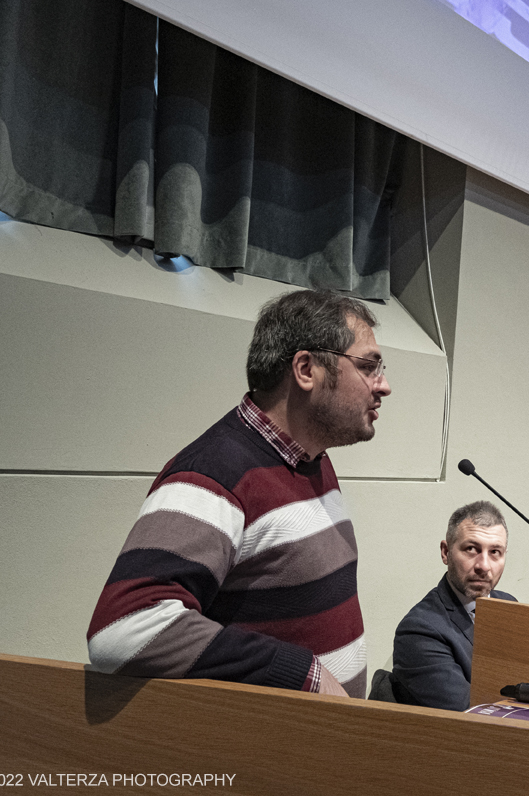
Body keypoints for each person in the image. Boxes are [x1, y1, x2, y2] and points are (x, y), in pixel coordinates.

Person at [87, 290, 392, 697]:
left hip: (323, 742)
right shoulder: (214, 473)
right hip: (267, 751)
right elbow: (124, 628)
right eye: (369, 366)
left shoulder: (310, 457)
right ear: (306, 369)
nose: (383, 385)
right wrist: (302, 673)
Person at [390, 501, 517, 711]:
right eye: (471, 549)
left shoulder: (508, 605)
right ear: (445, 552)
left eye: (495, 552)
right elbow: (470, 712)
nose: (484, 566)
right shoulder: (419, 630)